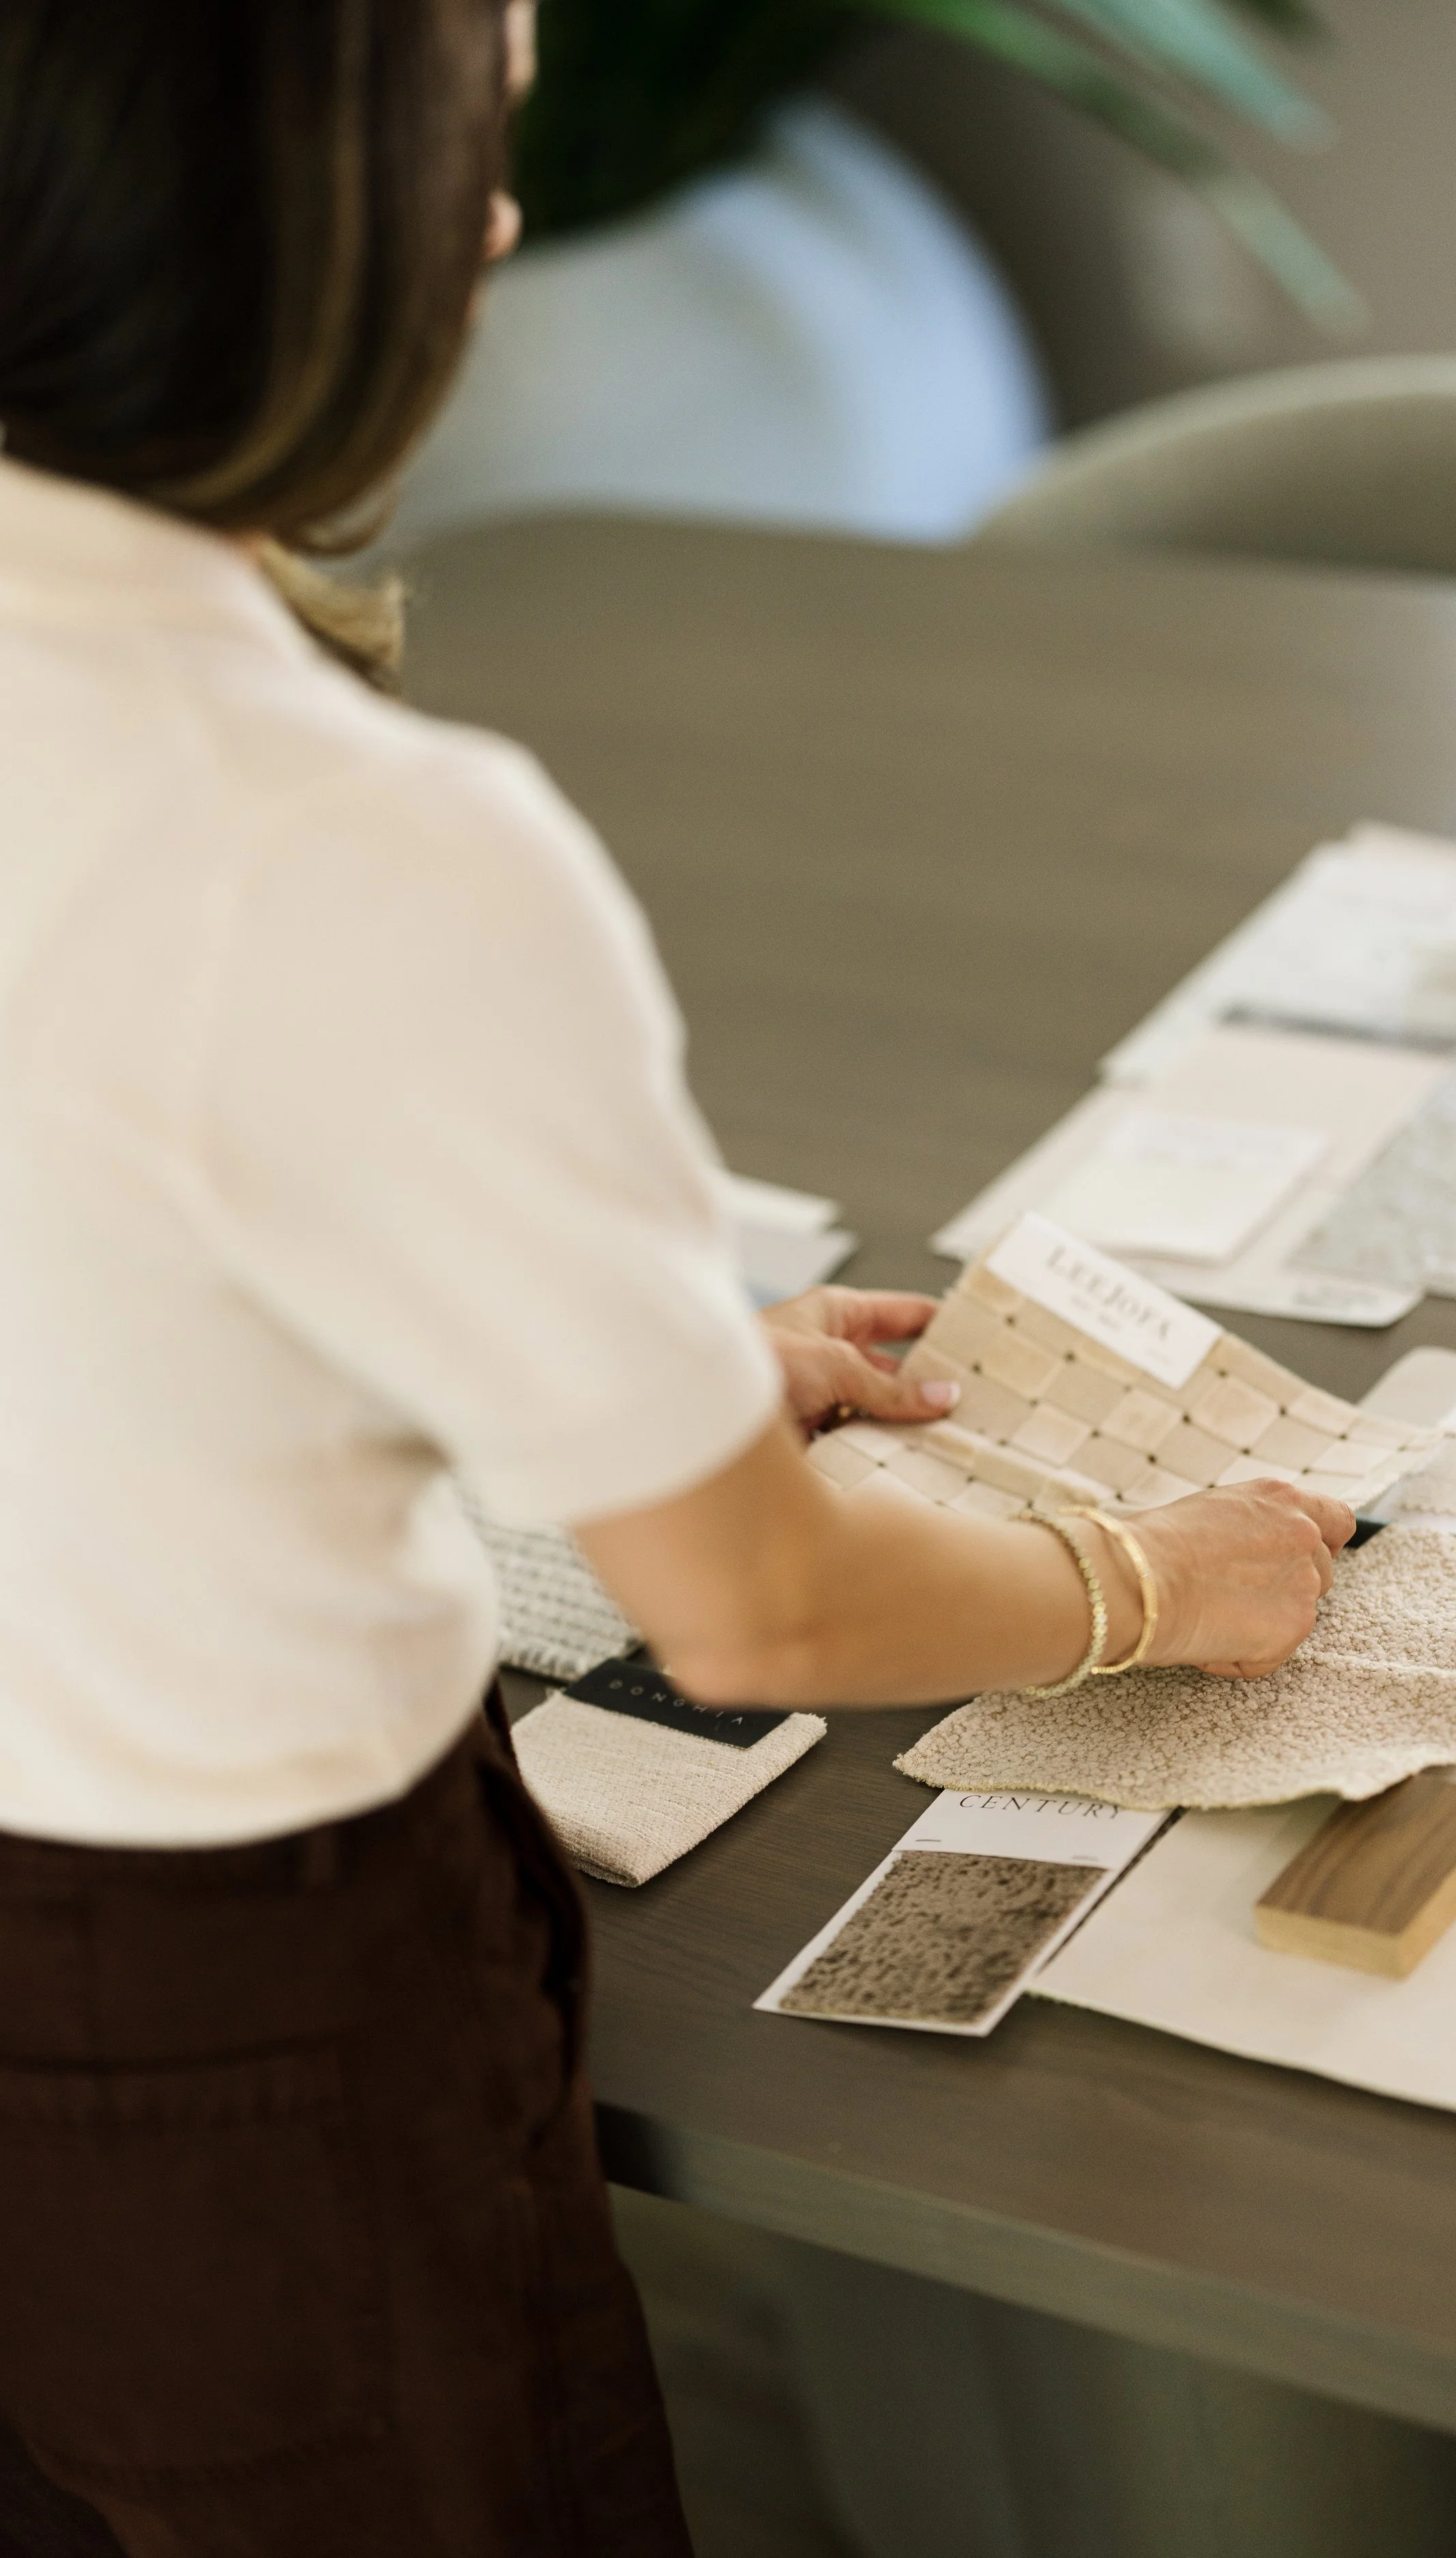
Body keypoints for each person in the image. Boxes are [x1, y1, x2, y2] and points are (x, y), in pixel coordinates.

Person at [0, 3, 1353, 2550]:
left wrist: (628, 1361)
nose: (503, 226)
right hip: (221, 2005)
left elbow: (98, 1217)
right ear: (297, 242)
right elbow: (743, 1607)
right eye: (476, 154)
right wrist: (1145, 1574)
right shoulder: (362, 846)